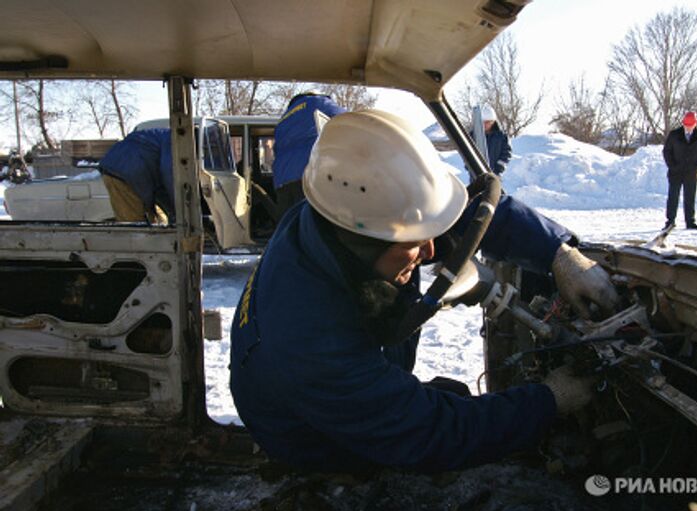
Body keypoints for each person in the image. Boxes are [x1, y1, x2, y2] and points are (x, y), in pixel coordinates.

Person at [230, 110, 619, 473]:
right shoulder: (309, 339)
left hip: (329, 389)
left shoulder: (335, 215)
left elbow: (463, 216)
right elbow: (428, 432)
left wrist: (557, 253)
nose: (431, 251)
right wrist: (548, 401)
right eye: (415, 244)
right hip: (313, 439)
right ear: (365, 242)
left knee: (457, 397)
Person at [272, 92, 346, 218]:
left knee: (289, 224)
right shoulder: (317, 102)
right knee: (314, 226)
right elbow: (349, 119)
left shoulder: (284, 119)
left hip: (282, 181)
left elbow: (276, 149)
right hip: (307, 175)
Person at [99, 128, 174, 223]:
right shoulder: (176, 140)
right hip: (123, 171)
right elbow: (170, 174)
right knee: (135, 225)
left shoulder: (164, 136)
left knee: (158, 221)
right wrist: (178, 209)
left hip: (130, 169)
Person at [662, 111, 697, 230]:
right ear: (683, 124)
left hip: (692, 173)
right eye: (686, 125)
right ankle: (670, 222)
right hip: (675, 172)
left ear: (695, 124)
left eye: (691, 125)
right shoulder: (674, 135)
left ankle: (690, 222)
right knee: (673, 197)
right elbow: (667, 151)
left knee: (690, 197)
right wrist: (672, 166)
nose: (688, 128)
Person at [470, 104, 511, 175]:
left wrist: (499, 168)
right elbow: (467, 151)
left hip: (494, 175)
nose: (484, 125)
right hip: (476, 175)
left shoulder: (501, 137)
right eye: (482, 122)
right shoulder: (473, 136)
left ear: (493, 121)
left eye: (487, 122)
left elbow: (506, 154)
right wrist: (470, 166)